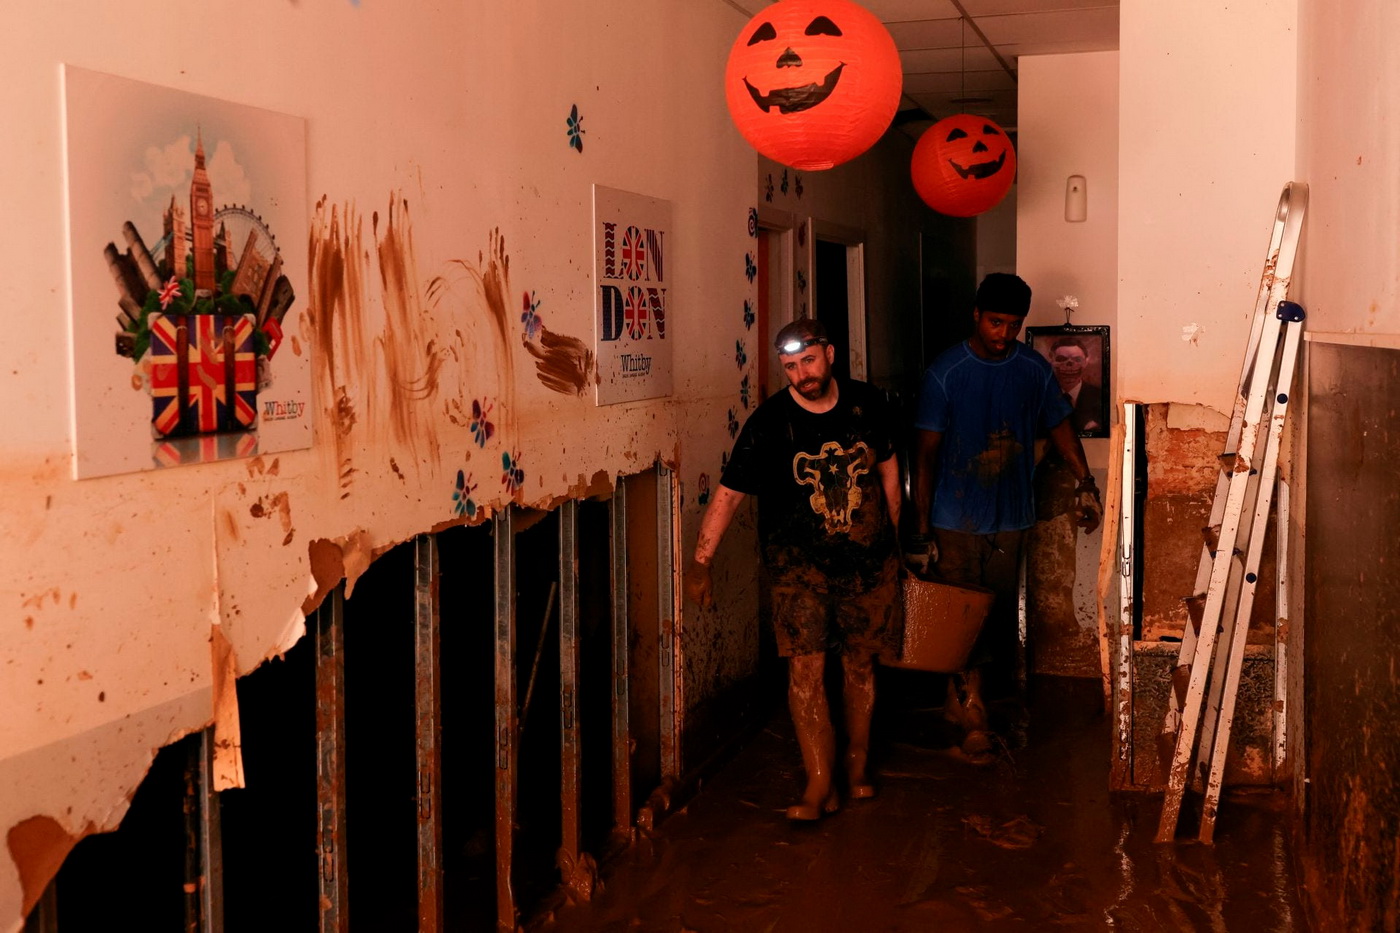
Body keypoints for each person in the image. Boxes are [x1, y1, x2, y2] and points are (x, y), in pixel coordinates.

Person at [685, 319, 902, 821]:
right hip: (797, 567)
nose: (801, 374)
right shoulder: (768, 423)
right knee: (805, 668)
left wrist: (895, 540)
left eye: (808, 361)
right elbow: (729, 493)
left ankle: (857, 763)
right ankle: (818, 781)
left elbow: (889, 470)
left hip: (867, 563)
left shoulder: (868, 404)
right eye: (790, 367)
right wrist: (701, 561)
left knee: (860, 664)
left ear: (829, 354)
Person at [907, 273, 1102, 757]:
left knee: (991, 614)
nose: (1004, 334)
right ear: (976, 315)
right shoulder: (946, 372)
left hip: (1012, 515)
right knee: (961, 614)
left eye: (1014, 325)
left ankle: (959, 700)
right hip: (955, 516)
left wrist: (1086, 482)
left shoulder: (1033, 369)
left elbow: (1060, 426)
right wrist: (921, 528)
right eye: (995, 322)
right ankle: (972, 710)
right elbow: (924, 455)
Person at [1047, 335, 1104, 434]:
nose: (1069, 365)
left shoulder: (1100, 396)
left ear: (1086, 362)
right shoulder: (1041, 396)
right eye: (1061, 359)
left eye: (1077, 360)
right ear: (1051, 361)